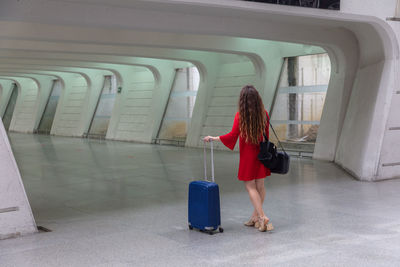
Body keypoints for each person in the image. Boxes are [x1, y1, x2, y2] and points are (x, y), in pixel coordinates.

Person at [203, 85, 273, 232]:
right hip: (262, 154)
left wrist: (213, 138)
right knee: (260, 186)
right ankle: (255, 218)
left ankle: (262, 216)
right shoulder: (264, 114)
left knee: (250, 187)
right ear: (257, 99)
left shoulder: (240, 116)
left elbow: (232, 136)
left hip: (248, 155)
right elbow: (266, 134)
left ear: (243, 100)